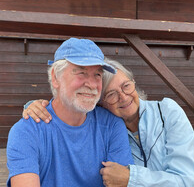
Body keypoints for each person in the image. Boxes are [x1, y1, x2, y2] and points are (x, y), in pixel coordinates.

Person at [23, 58, 194, 186]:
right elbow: (70, 107)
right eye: (111, 94)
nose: (123, 97)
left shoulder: (167, 113)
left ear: (134, 83)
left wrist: (131, 178)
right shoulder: (108, 129)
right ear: (99, 103)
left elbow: (189, 181)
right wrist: (35, 106)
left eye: (126, 86)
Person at [7, 38, 134, 187]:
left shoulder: (111, 125)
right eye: (81, 72)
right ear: (55, 77)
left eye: (98, 75)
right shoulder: (26, 131)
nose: (92, 85)